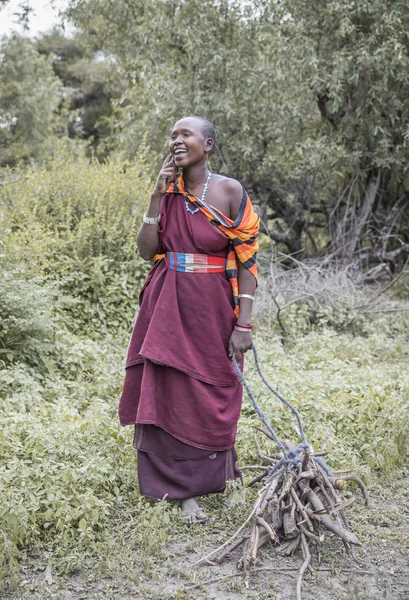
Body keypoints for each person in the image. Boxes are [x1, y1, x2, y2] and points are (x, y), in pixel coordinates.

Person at [119, 115, 259, 523]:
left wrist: (244, 323)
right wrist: (155, 197)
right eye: (173, 135)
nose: (176, 140)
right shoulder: (169, 192)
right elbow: (147, 251)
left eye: (186, 134)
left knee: (216, 389)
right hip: (166, 304)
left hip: (214, 305)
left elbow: (248, 260)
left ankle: (218, 477)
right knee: (170, 392)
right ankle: (180, 492)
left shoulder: (229, 191)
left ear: (208, 144)